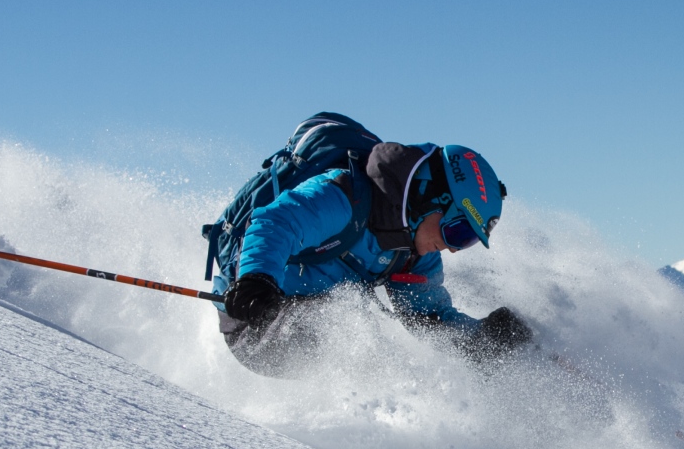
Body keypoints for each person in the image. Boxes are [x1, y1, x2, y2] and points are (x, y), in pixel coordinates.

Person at [216, 140, 531, 375]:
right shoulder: (343, 197)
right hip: (252, 316)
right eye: (460, 231)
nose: (453, 248)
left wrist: (482, 339)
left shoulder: (414, 255)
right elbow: (277, 222)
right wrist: (257, 280)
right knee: (354, 325)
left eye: (469, 241)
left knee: (353, 323)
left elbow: (428, 317)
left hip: (310, 327)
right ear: (433, 199)